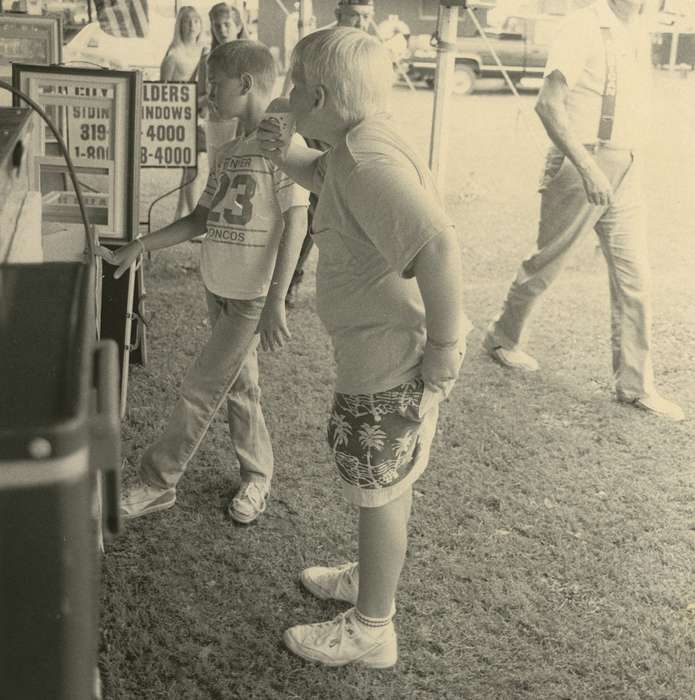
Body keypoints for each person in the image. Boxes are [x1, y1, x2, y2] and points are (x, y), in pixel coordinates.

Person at [259, 27, 469, 667]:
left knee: (378, 489)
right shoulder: (355, 144)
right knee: (383, 484)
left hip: (392, 363)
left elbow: (436, 246)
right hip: (383, 357)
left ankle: (373, 627)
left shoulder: (369, 162)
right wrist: (283, 153)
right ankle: (369, 577)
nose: (288, 95)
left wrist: (444, 348)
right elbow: (321, 173)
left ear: (318, 94)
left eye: (294, 85)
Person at [103, 40, 309, 522]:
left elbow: (297, 222)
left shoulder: (286, 149)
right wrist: (142, 245)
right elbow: (200, 217)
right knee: (239, 388)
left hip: (252, 298)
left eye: (214, 82)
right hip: (219, 287)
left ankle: (158, 481)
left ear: (245, 83)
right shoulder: (231, 150)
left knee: (200, 388)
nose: (207, 90)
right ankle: (258, 476)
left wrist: (277, 299)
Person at [483, 0, 684, 421]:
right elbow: (548, 104)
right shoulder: (583, 25)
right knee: (547, 263)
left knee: (635, 278)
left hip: (626, 166)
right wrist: (588, 167)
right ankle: (502, 338)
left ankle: (635, 385)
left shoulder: (639, 28)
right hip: (580, 163)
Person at [283, 0, 376, 309]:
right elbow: (291, 92)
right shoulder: (318, 44)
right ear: (338, 14)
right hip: (316, 135)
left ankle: (350, 281)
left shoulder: (370, 47)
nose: (362, 22)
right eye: (356, 15)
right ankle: (291, 278)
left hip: (351, 137)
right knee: (311, 208)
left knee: (353, 209)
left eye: (367, 16)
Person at [160, 6, 207, 220]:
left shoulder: (203, 52)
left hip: (201, 116)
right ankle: (193, 219)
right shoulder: (173, 55)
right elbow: (163, 92)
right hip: (182, 116)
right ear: (179, 25)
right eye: (187, 22)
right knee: (192, 169)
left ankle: (180, 214)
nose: (192, 26)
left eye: (196, 21)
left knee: (189, 168)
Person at [202, 2, 250, 172]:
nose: (222, 30)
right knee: (216, 172)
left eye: (226, 24)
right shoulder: (208, 58)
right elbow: (201, 94)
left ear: (238, 26)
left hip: (242, 123)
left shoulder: (250, 56)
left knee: (238, 172)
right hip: (217, 123)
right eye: (217, 25)